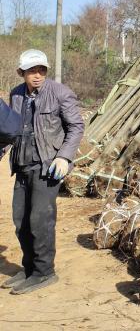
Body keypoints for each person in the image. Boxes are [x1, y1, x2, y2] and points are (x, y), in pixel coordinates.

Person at [2, 49, 84, 294]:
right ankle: (28, 268)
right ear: (22, 73)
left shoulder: (60, 93)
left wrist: (64, 156)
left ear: (46, 71)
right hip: (22, 164)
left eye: (41, 70)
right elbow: (10, 130)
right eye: (31, 71)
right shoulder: (16, 94)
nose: (37, 75)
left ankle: (44, 272)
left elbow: (76, 127)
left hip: (47, 166)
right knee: (21, 221)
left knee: (40, 221)